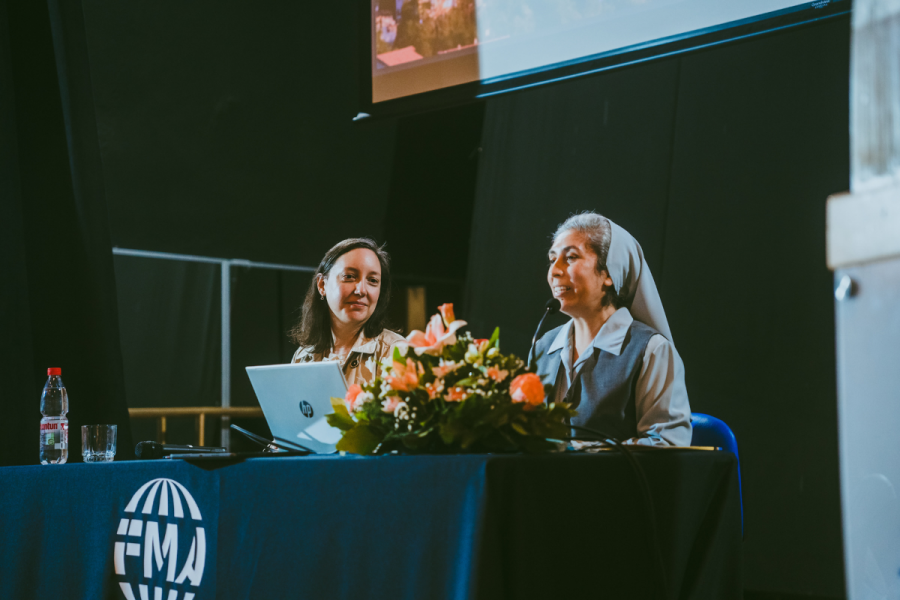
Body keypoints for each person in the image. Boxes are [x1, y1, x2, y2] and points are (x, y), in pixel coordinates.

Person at [531, 212, 692, 446]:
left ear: (608, 273)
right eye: (552, 259)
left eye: (571, 257)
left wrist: (579, 453)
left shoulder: (650, 351)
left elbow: (668, 446)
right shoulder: (543, 346)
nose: (555, 270)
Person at [290, 238, 404, 387]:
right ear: (322, 285)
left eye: (373, 280)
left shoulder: (397, 352)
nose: (361, 290)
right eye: (349, 277)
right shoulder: (302, 357)